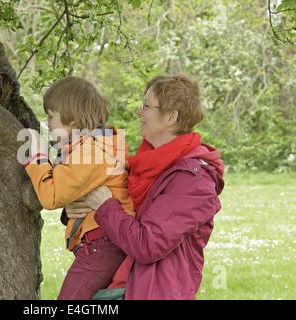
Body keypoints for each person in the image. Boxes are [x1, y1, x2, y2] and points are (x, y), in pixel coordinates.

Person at [66, 75, 225, 299]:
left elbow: (147, 245)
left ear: (171, 117)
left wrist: (104, 206)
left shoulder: (192, 181)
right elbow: (121, 206)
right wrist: (77, 208)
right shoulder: (146, 164)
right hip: (117, 284)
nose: (139, 112)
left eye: (147, 106)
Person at [24, 76, 135, 299]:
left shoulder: (91, 152)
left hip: (103, 245)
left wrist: (37, 156)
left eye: (51, 117)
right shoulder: (94, 146)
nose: (48, 124)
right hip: (104, 243)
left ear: (72, 120)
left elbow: (51, 196)